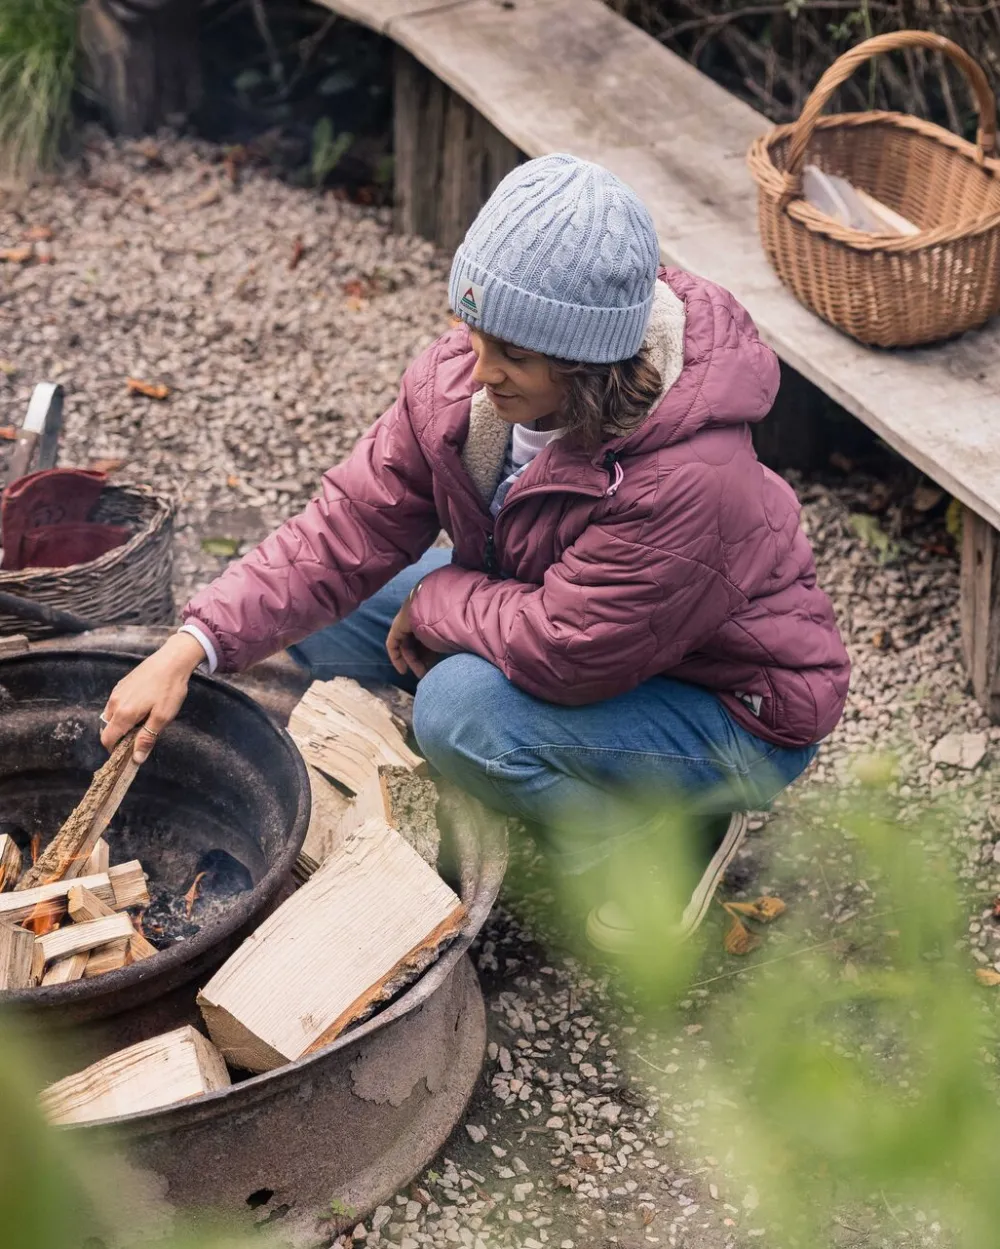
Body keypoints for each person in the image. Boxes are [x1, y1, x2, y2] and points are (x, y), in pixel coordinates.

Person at [100, 154, 850, 951]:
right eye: (475, 331)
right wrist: (193, 644)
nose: (478, 369)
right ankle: (530, 774)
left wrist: (438, 603)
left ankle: (662, 843)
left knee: (458, 712)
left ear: (588, 361)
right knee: (337, 607)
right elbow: (346, 527)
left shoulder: (688, 475)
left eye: (513, 356)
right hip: (567, 610)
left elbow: (569, 651)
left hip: (729, 705)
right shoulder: (476, 378)